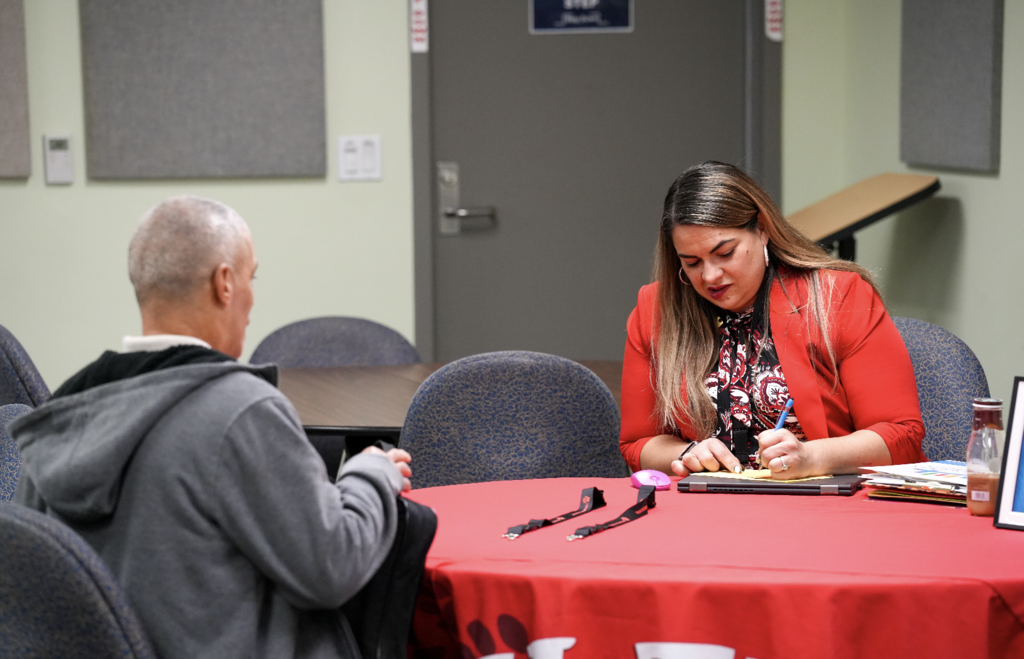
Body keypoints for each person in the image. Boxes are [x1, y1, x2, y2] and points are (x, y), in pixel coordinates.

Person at [11, 195, 414, 658]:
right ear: (224, 283)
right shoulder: (239, 410)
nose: (252, 299)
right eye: (251, 276)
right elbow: (332, 566)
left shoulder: (64, 412)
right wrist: (370, 475)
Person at [620, 162, 927, 480]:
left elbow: (900, 435)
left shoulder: (839, 296)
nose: (710, 276)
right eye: (692, 262)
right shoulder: (655, 309)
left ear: (762, 229)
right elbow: (636, 443)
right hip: (708, 507)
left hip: (823, 503)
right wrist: (684, 454)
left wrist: (812, 457)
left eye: (725, 253)